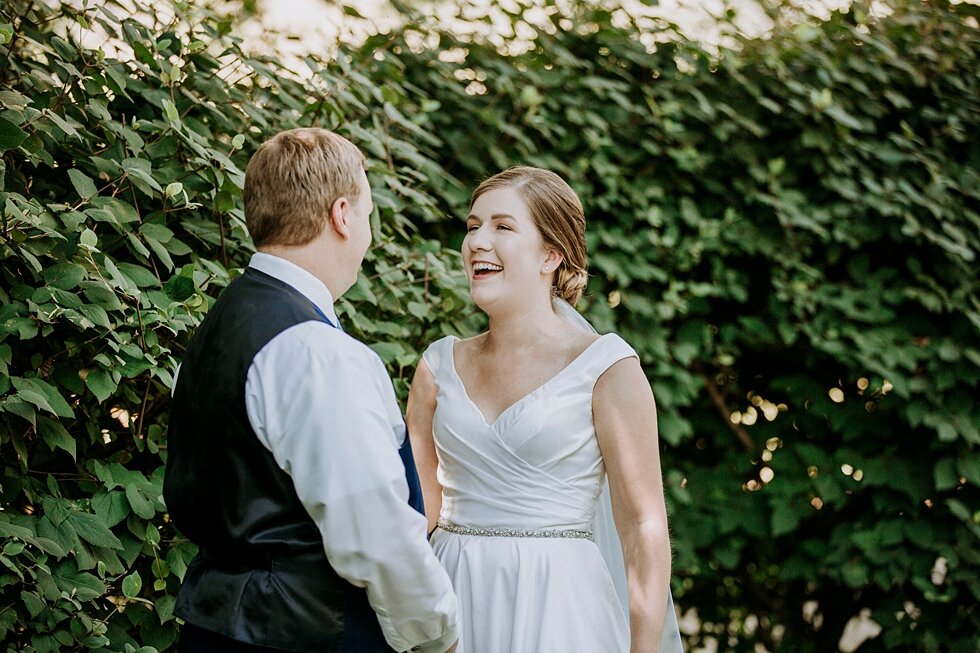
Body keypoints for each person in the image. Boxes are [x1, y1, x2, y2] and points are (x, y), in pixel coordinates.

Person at [164, 128, 459, 653]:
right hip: (305, 635)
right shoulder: (316, 353)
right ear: (341, 215)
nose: (367, 232)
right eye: (367, 215)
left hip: (213, 628)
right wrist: (436, 633)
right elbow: (375, 533)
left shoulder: (223, 322)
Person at [406, 166, 683, 652]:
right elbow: (417, 512)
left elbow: (643, 527)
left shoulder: (605, 368)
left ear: (551, 255)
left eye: (502, 226)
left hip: (559, 604)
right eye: (473, 226)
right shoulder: (437, 366)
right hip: (451, 597)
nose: (477, 241)